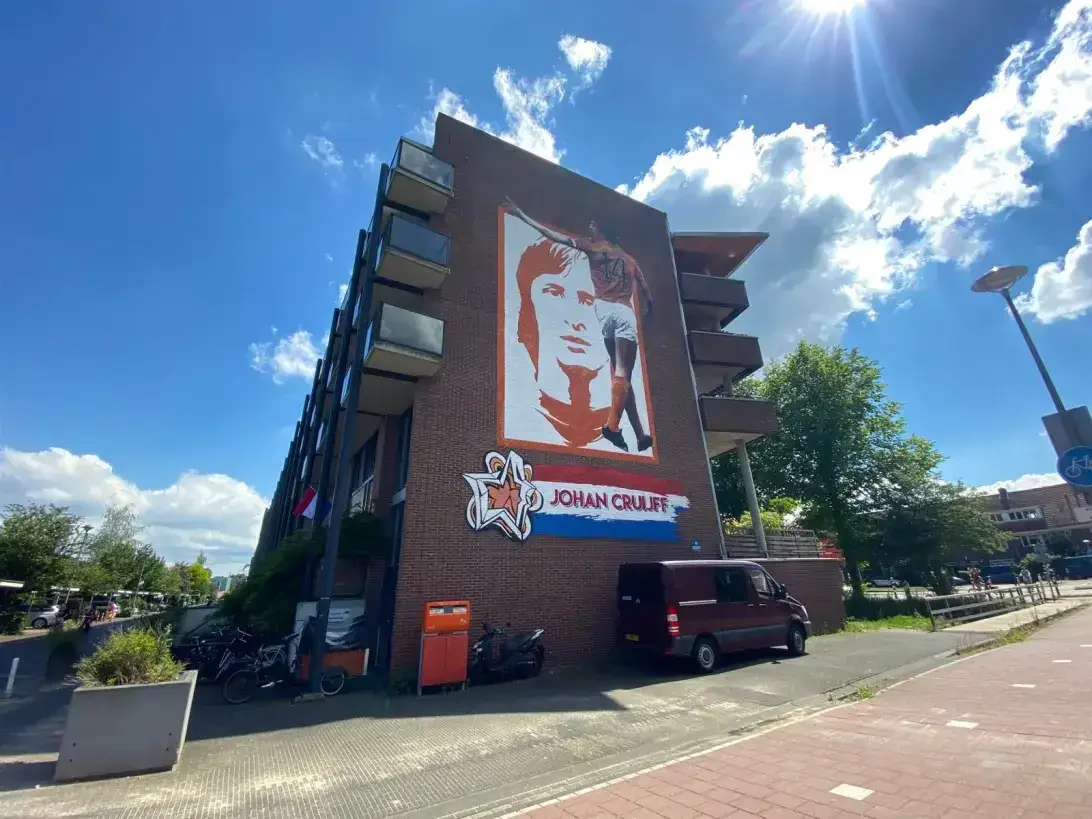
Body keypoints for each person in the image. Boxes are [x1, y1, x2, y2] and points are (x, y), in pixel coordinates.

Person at [506, 199, 654, 452]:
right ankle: (613, 427)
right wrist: (648, 313)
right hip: (622, 310)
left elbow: (553, 235)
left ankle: (639, 435)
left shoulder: (591, 247)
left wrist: (522, 215)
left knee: (620, 375)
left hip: (602, 311)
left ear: (600, 228)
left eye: (593, 225)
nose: (590, 228)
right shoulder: (630, 260)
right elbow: (647, 295)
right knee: (622, 372)